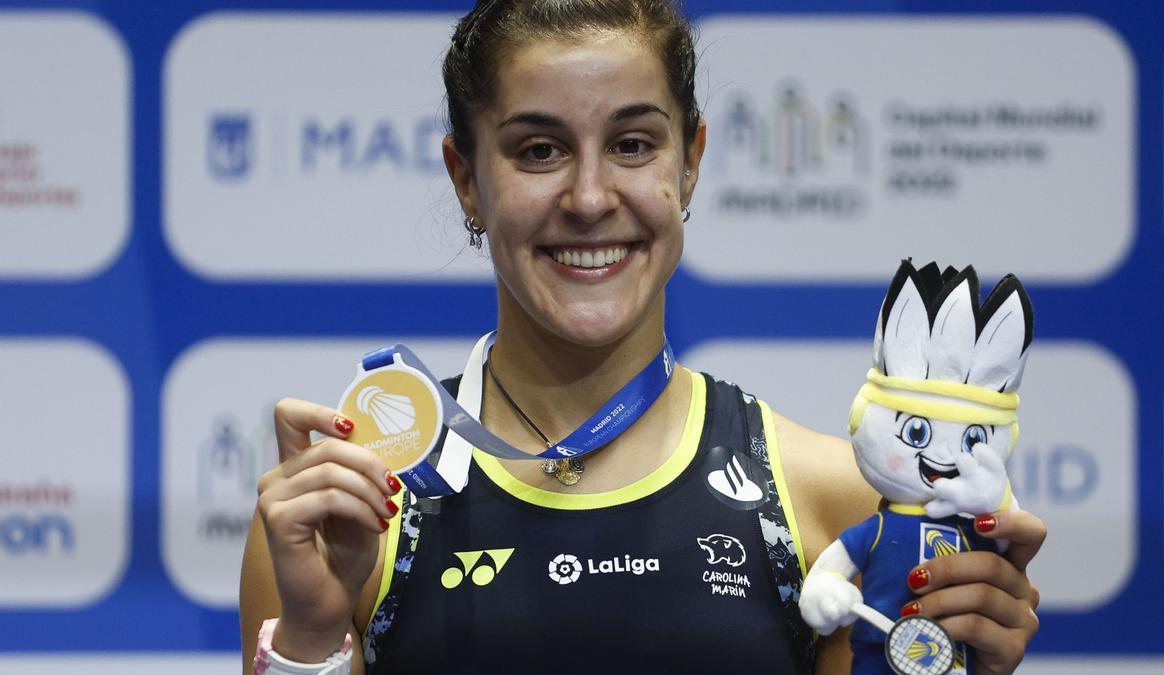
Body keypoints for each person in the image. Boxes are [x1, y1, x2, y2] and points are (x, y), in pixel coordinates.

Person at [240, 1, 1045, 673]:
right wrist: (309, 637)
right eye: (539, 150)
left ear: (689, 161)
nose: (590, 197)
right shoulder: (360, 510)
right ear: (466, 179)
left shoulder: (825, 498)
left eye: (632, 144)